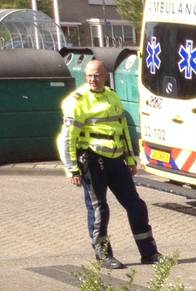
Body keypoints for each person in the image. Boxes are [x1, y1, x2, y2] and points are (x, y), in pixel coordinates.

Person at [57, 59, 163, 270]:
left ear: (106, 76)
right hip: (93, 160)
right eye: (89, 76)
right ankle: (103, 255)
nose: (92, 80)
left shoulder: (112, 96)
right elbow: (67, 138)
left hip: (116, 160)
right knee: (99, 210)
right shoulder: (77, 101)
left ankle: (149, 253)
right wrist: (72, 169)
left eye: (97, 75)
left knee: (136, 206)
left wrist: (131, 159)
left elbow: (123, 130)